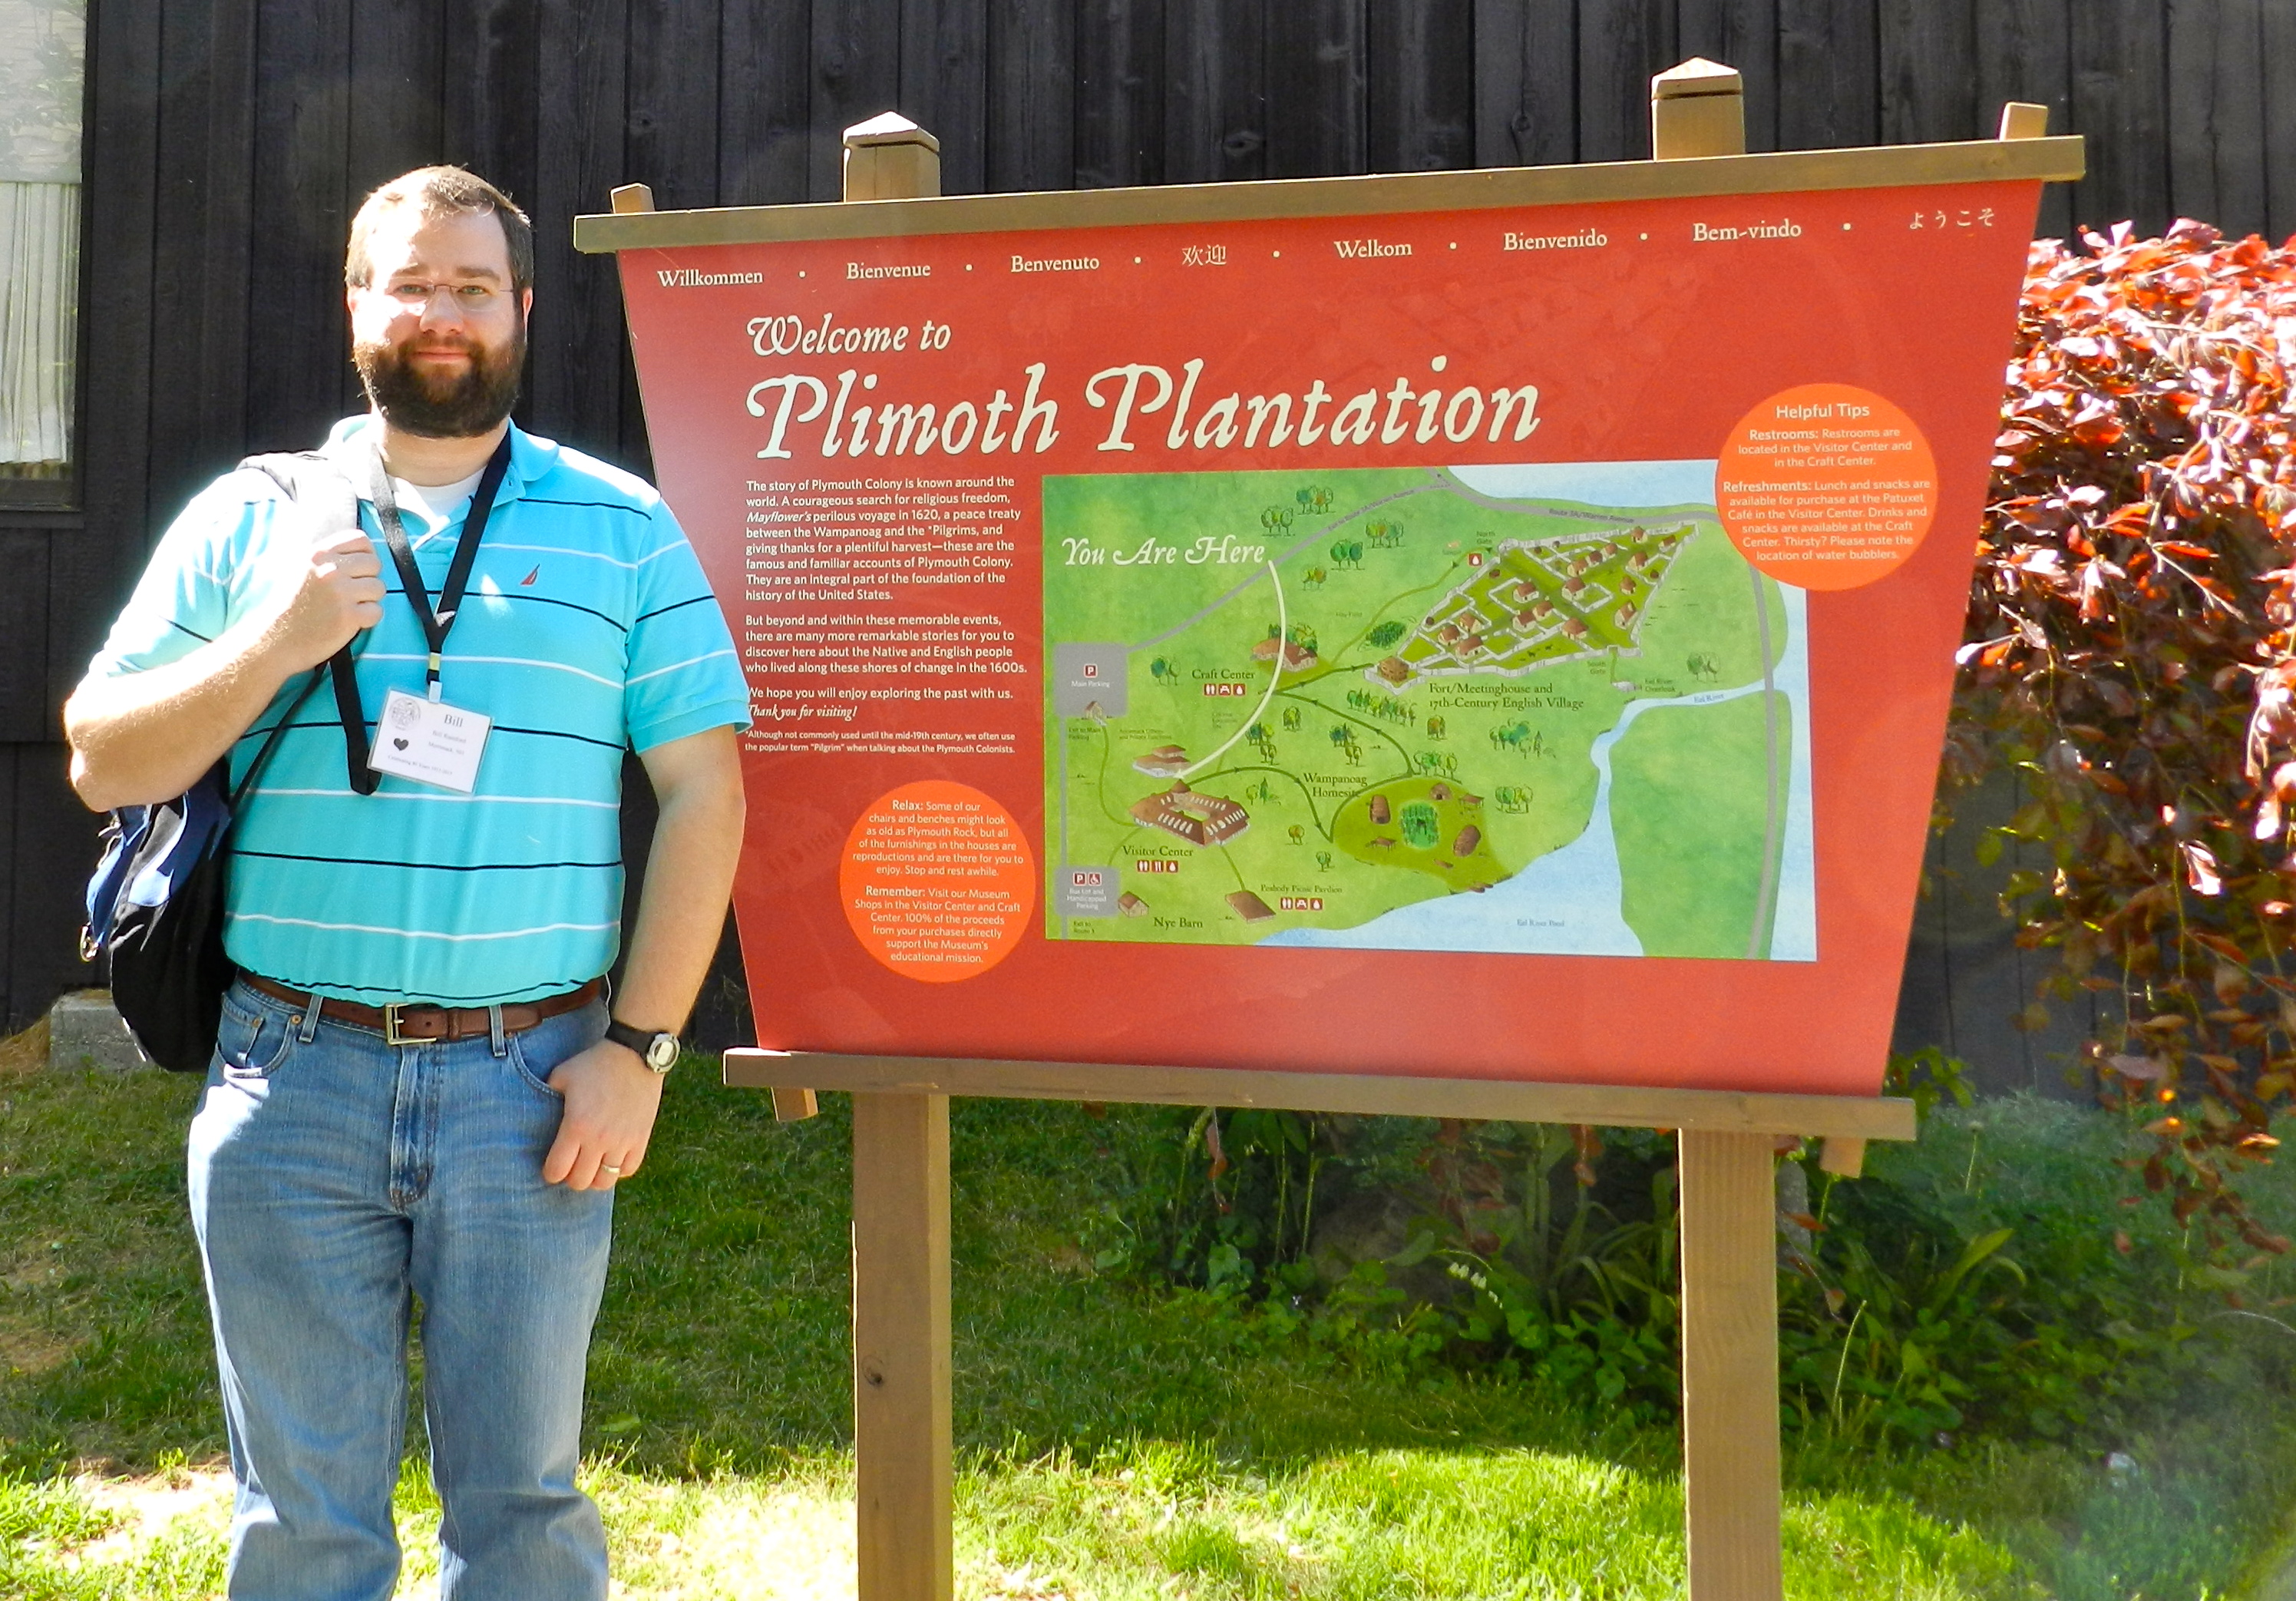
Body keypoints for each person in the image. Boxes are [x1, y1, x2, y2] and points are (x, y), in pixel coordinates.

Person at [61, 166, 749, 1599]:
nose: (442, 313)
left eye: (472, 287)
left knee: (524, 1509)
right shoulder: (251, 518)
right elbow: (101, 758)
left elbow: (706, 793)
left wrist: (639, 1051)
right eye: (412, 284)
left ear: (524, 310)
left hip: (534, 1089)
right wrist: (276, 639)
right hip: (287, 1080)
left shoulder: (623, 525)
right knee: (301, 1521)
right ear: (356, 306)